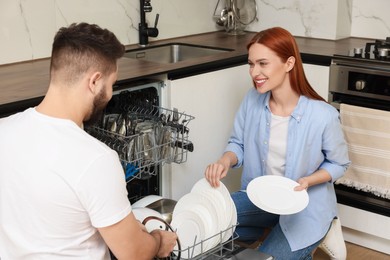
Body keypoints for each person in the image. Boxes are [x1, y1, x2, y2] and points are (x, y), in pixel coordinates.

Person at [0, 22, 177, 260]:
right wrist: (157, 241)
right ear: (94, 82)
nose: (110, 94)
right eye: (111, 84)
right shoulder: (96, 159)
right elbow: (134, 254)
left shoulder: (4, 131)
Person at [204, 27, 350, 260]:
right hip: (259, 197)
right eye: (251, 64)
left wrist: (309, 180)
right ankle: (263, 229)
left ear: (289, 63)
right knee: (205, 224)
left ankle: (325, 228)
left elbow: (339, 163)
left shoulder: (323, 115)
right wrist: (225, 160)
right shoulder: (252, 100)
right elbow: (237, 144)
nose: (255, 72)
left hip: (304, 206)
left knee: (265, 258)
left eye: (263, 63)